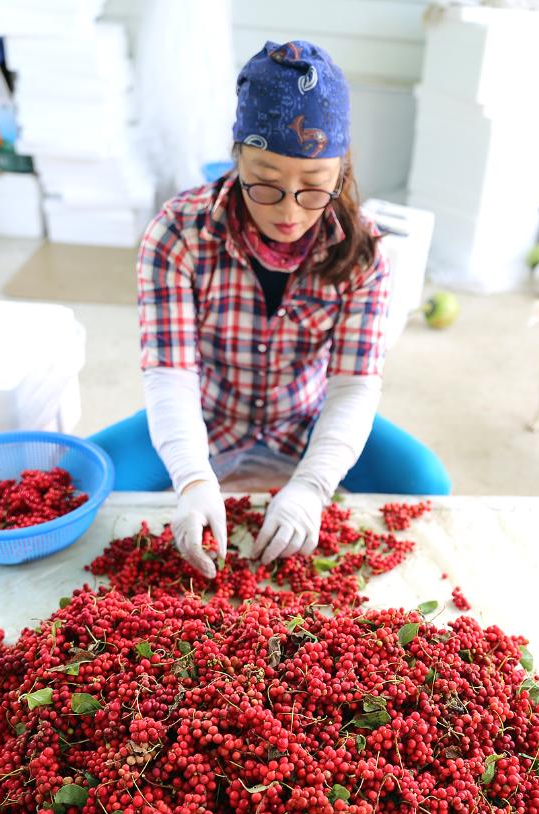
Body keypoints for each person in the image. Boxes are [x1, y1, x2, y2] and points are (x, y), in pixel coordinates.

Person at [90, 40, 451, 579]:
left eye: (313, 187)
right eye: (265, 182)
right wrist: (191, 477)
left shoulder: (365, 253)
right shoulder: (177, 233)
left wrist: (312, 485)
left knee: (428, 486)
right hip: (207, 410)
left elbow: (353, 386)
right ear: (237, 155)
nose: (288, 211)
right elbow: (170, 375)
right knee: (79, 489)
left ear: (342, 171)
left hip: (303, 417)